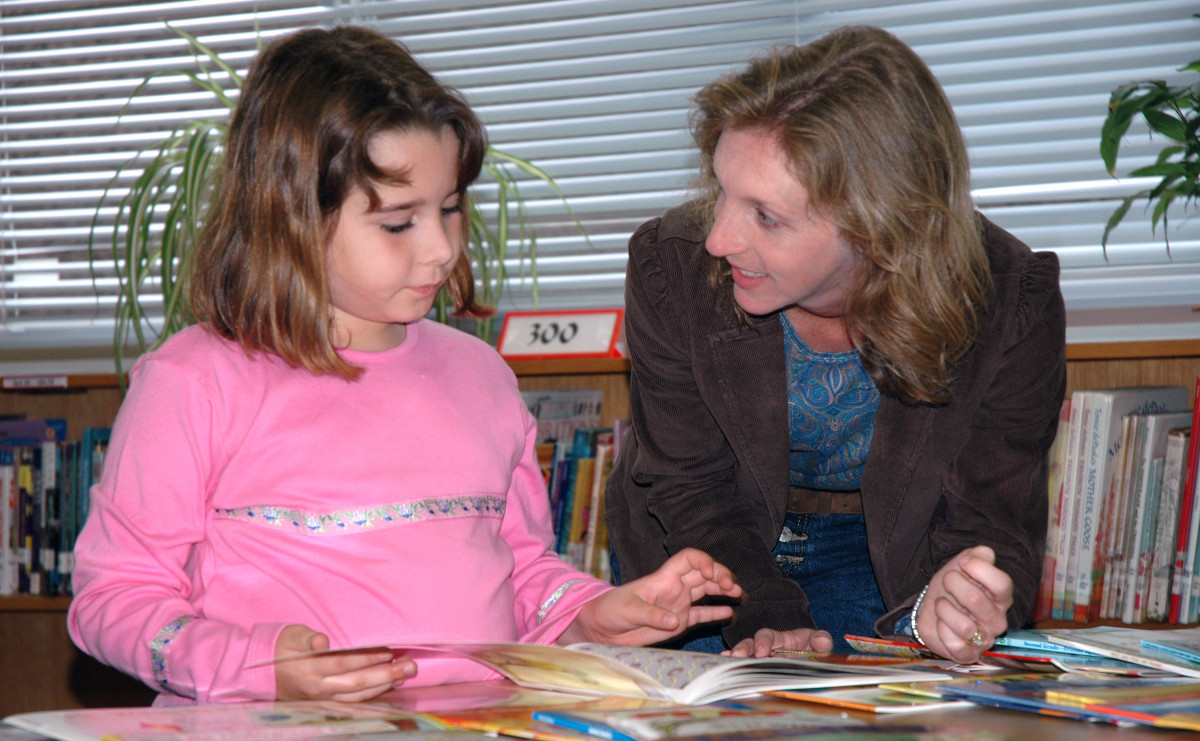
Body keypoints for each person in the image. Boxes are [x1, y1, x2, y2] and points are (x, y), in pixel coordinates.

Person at [66, 25, 743, 706]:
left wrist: (593, 612)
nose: (440, 249)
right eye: (398, 223)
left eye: (449, 209)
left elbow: (524, 571)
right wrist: (252, 663)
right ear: (291, 216)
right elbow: (112, 599)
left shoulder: (480, 374)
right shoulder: (195, 380)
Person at [604, 25, 1065, 663]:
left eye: (766, 216)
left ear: (879, 223)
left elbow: (991, 518)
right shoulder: (669, 264)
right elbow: (688, 483)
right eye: (722, 192)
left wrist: (955, 603)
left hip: (887, 554)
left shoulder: (1011, 300)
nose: (717, 239)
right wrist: (765, 612)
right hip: (700, 545)